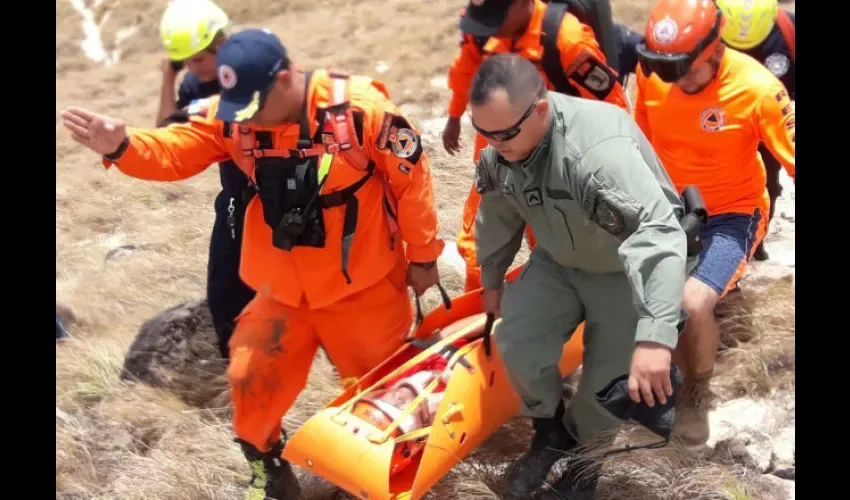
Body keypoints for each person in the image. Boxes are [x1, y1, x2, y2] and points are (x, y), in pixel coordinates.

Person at [60, 29, 445, 500]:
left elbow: (412, 184)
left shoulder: (363, 112)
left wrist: (424, 256)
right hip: (281, 288)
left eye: (253, 106)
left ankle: (378, 476)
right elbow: (177, 149)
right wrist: (121, 146)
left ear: (284, 79)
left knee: (383, 394)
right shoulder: (238, 114)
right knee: (250, 380)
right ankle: (268, 470)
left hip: (361, 285)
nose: (245, 120)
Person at [472, 53, 692, 499]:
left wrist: (654, 338)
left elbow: (659, 235)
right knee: (517, 339)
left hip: (623, 269)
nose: (494, 144)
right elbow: (496, 211)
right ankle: (550, 432)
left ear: (540, 109)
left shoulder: (596, 152)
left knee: (606, 382)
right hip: (558, 260)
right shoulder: (505, 144)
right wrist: (491, 279)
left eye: (504, 133)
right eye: (485, 133)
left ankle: (584, 461)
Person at [633, 0, 796, 447]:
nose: (673, 78)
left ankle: (695, 393)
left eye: (685, 67)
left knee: (690, 301)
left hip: (733, 212)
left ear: (715, 48)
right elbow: (640, 142)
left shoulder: (758, 88)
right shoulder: (654, 74)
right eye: (663, 67)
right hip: (666, 206)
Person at [444, 0, 630, 292]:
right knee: (478, 252)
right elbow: (466, 68)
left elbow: (613, 110)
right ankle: (481, 318)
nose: (490, 28)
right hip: (498, 161)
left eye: (495, 18)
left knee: (560, 246)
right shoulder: (483, 27)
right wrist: (454, 116)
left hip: (553, 166)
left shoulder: (567, 40)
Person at [156, 0, 255, 359]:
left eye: (198, 59)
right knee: (225, 294)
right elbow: (167, 136)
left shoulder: (254, 69)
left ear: (221, 42)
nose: (193, 69)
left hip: (279, 196)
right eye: (186, 62)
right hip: (234, 199)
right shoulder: (194, 84)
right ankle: (242, 371)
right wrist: (169, 75)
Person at [716, 0, 795, 261]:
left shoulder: (787, 30)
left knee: (769, 181)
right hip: (721, 119)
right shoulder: (705, 25)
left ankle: (756, 240)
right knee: (719, 181)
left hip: (769, 121)